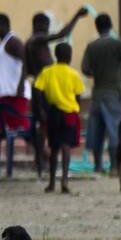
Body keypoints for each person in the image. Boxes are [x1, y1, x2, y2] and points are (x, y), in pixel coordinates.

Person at [23, 9, 90, 176]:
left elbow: (27, 70)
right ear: (38, 25)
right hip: (45, 87)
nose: (47, 29)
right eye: (45, 25)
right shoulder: (37, 39)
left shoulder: (29, 43)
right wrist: (77, 17)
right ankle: (43, 162)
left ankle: (41, 163)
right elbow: (62, 34)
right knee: (49, 129)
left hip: (39, 86)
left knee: (43, 126)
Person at [80, 13, 121, 173]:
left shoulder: (91, 46)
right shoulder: (117, 44)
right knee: (113, 129)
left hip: (97, 92)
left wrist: (97, 73)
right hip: (113, 92)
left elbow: (85, 69)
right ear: (110, 26)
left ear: (97, 28)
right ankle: (113, 166)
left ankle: (97, 166)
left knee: (96, 129)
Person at [0, 13, 36, 178]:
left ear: (2, 25)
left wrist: (21, 83)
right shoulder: (1, 44)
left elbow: (26, 60)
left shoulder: (13, 42)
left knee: (24, 132)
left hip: (15, 95)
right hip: (1, 95)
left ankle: (41, 161)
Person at [34, 42, 85, 193]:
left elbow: (37, 90)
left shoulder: (47, 71)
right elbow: (78, 95)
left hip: (53, 112)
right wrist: (76, 108)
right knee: (66, 146)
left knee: (54, 147)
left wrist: (42, 111)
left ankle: (51, 183)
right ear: (70, 56)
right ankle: (65, 181)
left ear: (55, 56)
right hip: (70, 113)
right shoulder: (73, 74)